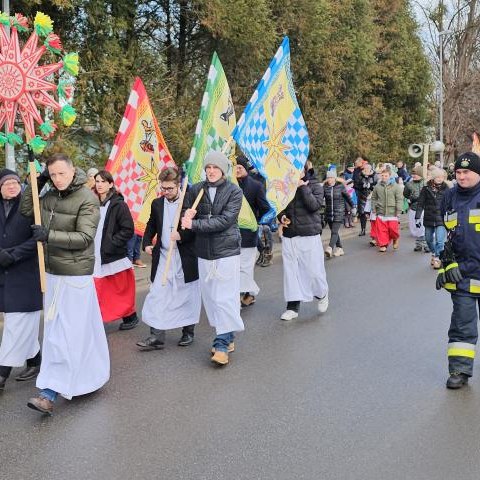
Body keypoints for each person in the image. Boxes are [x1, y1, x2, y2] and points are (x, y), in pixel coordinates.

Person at [20, 153, 109, 415]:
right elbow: (28, 209)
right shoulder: (50, 195)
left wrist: (49, 235)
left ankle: (49, 392)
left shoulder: (87, 199)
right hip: (51, 273)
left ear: (73, 171)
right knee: (60, 332)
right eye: (53, 174)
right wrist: (38, 180)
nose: (58, 179)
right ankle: (89, 376)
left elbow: (84, 237)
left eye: (62, 173)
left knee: (68, 333)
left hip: (75, 275)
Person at [181, 151, 244, 366]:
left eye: (215, 167)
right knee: (210, 298)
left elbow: (224, 221)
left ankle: (221, 344)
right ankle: (228, 334)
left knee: (224, 298)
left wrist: (195, 224)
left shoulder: (234, 192)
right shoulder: (196, 189)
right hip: (204, 252)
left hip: (226, 252)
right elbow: (187, 217)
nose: (211, 171)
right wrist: (184, 220)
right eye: (208, 167)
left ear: (223, 170)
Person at [137, 168, 200, 350]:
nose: (165, 192)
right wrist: (147, 242)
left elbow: (197, 228)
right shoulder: (157, 203)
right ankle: (156, 336)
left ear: (178, 185)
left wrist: (182, 236)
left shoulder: (191, 201)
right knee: (157, 294)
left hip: (184, 258)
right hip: (164, 256)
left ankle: (188, 332)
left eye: (169, 189)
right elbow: (151, 225)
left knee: (186, 295)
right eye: (163, 188)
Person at [436, 152, 480, 389]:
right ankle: (460, 371)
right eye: (458, 173)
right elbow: (446, 233)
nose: (461, 177)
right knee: (462, 325)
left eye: (467, 172)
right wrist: (447, 262)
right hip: (462, 274)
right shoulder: (449, 196)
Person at [0, 169, 43, 391]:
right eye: (7, 183)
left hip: (26, 274)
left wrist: (13, 254)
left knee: (15, 326)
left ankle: (2, 373)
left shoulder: (30, 207)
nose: (12, 186)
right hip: (4, 276)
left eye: (15, 182)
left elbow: (37, 239)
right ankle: (36, 361)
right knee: (20, 321)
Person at [277, 163, 328, 321]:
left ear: (306, 169)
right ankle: (292, 307)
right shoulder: (285, 185)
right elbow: (280, 206)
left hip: (309, 234)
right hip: (290, 234)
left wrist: (302, 187)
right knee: (291, 273)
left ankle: (322, 293)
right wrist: (281, 217)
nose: (295, 172)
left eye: (299, 168)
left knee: (313, 271)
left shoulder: (315, 185)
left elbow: (314, 206)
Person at [93, 170, 139, 330]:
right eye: (97, 181)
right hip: (95, 253)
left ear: (111, 184)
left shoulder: (119, 205)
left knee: (118, 290)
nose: (99, 185)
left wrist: (111, 244)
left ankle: (130, 316)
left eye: (103, 182)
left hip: (112, 255)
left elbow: (128, 229)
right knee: (100, 288)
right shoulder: (92, 204)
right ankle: (97, 318)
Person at [236, 155, 272, 307]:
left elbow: (265, 208)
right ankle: (248, 292)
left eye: (240, 167)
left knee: (245, 267)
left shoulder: (256, 186)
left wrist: (257, 222)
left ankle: (245, 294)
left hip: (249, 233)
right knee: (235, 267)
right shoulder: (230, 185)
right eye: (235, 167)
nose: (237, 170)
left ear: (246, 168)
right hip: (231, 234)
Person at [415, 168, 449, 269]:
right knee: (428, 239)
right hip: (429, 218)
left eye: (441, 177)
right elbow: (420, 203)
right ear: (433, 177)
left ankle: (438, 258)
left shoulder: (447, 189)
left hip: (441, 219)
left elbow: (451, 203)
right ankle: (434, 253)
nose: (440, 179)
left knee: (440, 241)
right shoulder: (426, 189)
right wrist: (417, 217)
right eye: (437, 177)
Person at [371, 168, 403, 252]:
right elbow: (374, 198)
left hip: (392, 212)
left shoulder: (396, 186)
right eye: (382, 175)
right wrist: (373, 208)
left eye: (386, 176)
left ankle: (395, 238)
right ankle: (383, 244)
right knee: (382, 230)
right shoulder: (377, 186)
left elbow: (399, 199)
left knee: (393, 229)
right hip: (381, 211)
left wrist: (399, 209)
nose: (384, 177)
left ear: (389, 176)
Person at [323, 171, 353, 257]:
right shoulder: (325, 188)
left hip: (339, 212)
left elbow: (348, 197)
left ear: (335, 178)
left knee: (334, 231)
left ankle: (330, 248)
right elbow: (320, 198)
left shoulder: (340, 187)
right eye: (328, 178)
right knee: (334, 232)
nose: (330, 179)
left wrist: (352, 207)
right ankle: (340, 248)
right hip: (329, 213)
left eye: (331, 177)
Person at [403, 165, 427, 252]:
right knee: (416, 227)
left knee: (423, 227)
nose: (414, 176)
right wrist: (411, 197)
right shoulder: (409, 184)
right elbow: (405, 194)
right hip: (414, 207)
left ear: (420, 174)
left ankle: (426, 244)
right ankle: (418, 244)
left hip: (424, 208)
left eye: (416, 174)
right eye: (413, 174)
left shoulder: (426, 183)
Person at [355, 163, 376, 237]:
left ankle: (373, 230)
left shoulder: (374, 175)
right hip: (362, 196)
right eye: (365, 168)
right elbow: (356, 185)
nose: (366, 169)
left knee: (372, 214)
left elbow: (377, 185)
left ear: (370, 169)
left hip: (372, 197)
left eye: (368, 168)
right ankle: (363, 229)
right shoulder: (360, 175)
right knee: (362, 213)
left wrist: (371, 186)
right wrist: (361, 186)